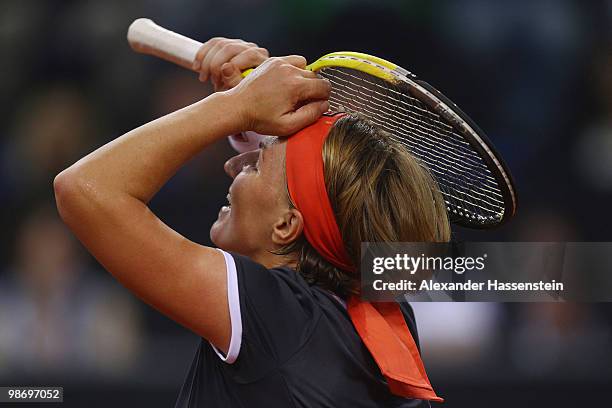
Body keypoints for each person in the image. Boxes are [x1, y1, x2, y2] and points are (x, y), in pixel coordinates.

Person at [54, 39, 450, 407]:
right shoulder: (383, 311)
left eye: (255, 165)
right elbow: (305, 193)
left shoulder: (275, 314)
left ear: (286, 226)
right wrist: (252, 117)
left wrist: (234, 106)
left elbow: (86, 190)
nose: (232, 164)